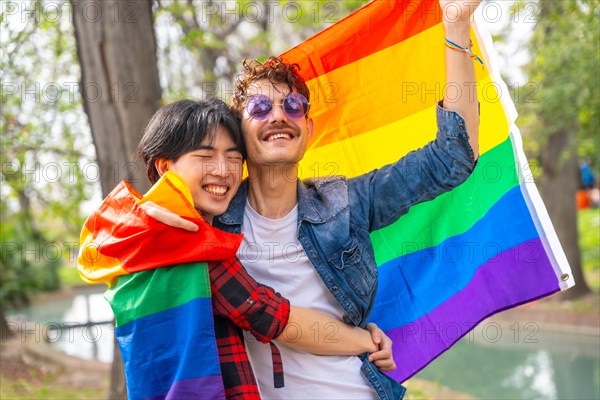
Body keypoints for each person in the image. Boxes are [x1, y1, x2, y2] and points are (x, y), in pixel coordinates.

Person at [148, 1, 481, 398]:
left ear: (307, 127)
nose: (278, 115)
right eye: (259, 107)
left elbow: (453, 157)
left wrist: (456, 24)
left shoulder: (347, 201)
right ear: (240, 129)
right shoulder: (208, 223)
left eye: (292, 106)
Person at [79, 98, 395, 400]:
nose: (224, 170)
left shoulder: (134, 232)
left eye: (233, 157)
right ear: (164, 167)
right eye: (205, 156)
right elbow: (270, 315)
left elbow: (96, 244)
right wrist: (365, 340)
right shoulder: (182, 241)